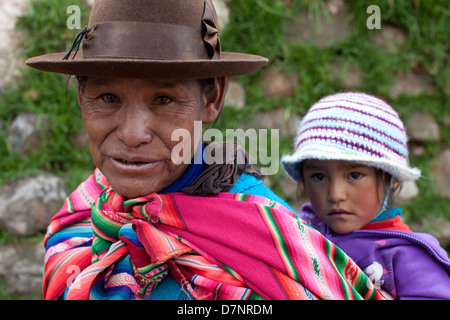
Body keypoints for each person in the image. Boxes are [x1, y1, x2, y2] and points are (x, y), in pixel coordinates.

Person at [26, 0, 384, 300]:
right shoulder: (81, 215)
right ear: (80, 98)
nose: (133, 134)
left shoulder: (269, 241)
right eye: (107, 98)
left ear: (211, 98)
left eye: (164, 99)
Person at [281, 92, 450, 299]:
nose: (335, 194)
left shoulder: (410, 257)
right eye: (318, 176)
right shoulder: (294, 229)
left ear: (392, 179)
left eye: (354, 175)